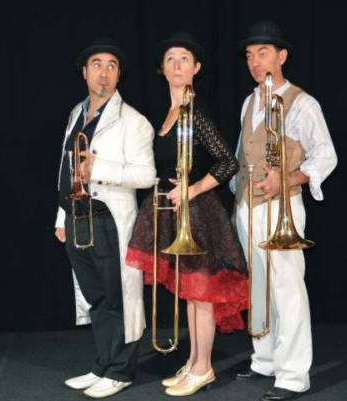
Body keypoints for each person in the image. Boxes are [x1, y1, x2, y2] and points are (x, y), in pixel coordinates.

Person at [125, 32, 248, 397]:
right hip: (170, 212)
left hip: (195, 212)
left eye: (184, 59)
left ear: (196, 68)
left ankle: (204, 367)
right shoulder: (167, 115)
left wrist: (192, 190)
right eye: (170, 59)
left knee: (200, 293)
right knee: (189, 293)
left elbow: (227, 162)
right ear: (162, 70)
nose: (177, 65)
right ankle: (194, 361)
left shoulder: (197, 114)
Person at [232, 21, 338, 401]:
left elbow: (326, 155)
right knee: (259, 286)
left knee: (288, 290)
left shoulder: (303, 103)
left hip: (283, 207)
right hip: (249, 208)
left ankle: (293, 376)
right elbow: (243, 154)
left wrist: (289, 178)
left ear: (282, 56)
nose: (255, 62)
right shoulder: (249, 102)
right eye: (250, 55)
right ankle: (265, 359)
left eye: (263, 53)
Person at [54, 37, 156, 399]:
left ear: (118, 75)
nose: (104, 72)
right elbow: (66, 167)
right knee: (95, 297)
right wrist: (61, 215)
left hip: (109, 218)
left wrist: (100, 168)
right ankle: (103, 363)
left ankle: (120, 370)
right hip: (77, 216)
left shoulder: (135, 122)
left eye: (112, 66)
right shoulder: (76, 113)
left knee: (117, 298)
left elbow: (147, 176)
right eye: (97, 65)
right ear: (84, 73)